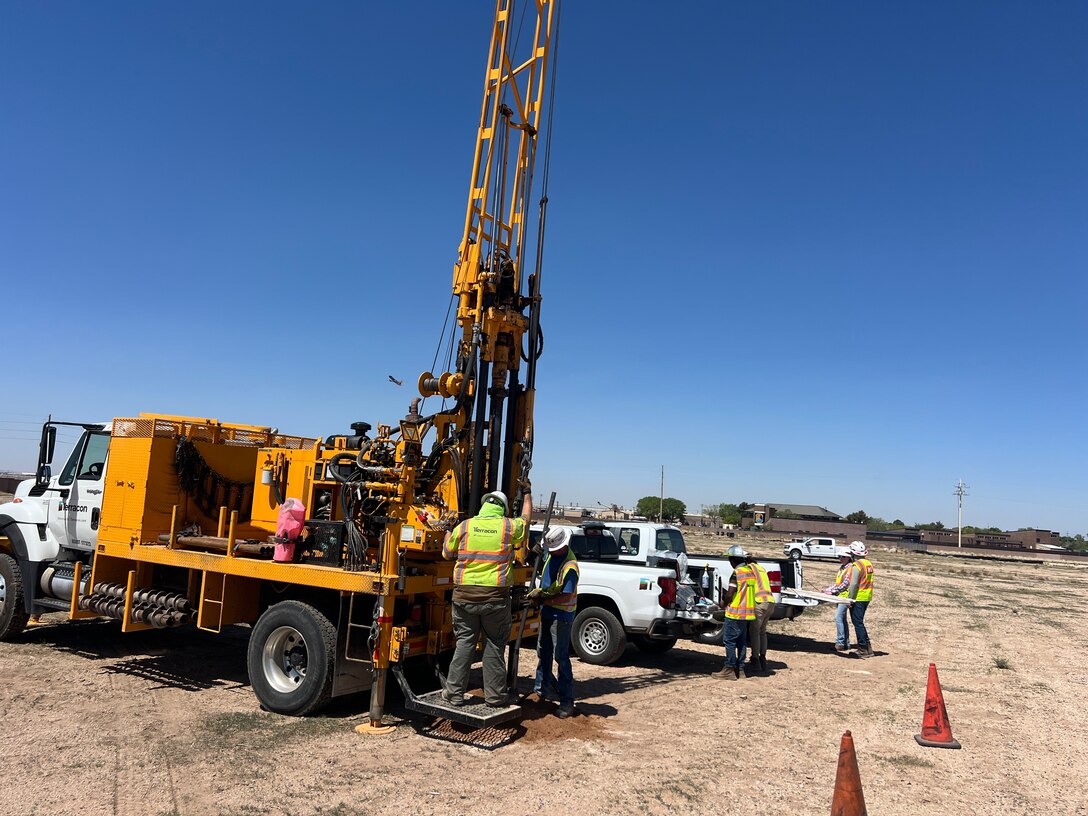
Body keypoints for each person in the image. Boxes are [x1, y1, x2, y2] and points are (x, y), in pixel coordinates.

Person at [441, 484, 532, 707]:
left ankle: (453, 694)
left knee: (464, 643)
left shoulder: (465, 526)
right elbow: (527, 519)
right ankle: (495, 697)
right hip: (495, 599)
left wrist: (447, 532)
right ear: (503, 508)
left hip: (464, 597)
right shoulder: (508, 527)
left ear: (484, 506)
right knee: (494, 645)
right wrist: (527, 492)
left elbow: (446, 553)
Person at [529, 525, 580, 718]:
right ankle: (541, 691)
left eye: (553, 549)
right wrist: (534, 554)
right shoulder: (551, 553)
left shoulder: (570, 566)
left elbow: (566, 597)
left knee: (561, 657)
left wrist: (542, 600)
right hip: (548, 611)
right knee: (543, 652)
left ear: (563, 546)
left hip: (562, 616)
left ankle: (567, 701)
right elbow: (542, 563)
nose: (550, 552)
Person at [824, 540, 875, 658]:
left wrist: (850, 600)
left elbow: (853, 584)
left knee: (858, 623)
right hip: (866, 596)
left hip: (859, 597)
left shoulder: (857, 565)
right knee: (859, 622)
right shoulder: (868, 564)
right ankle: (868, 648)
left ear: (853, 553)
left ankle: (862, 648)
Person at [715, 545, 757, 680]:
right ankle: (741, 670)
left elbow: (730, 594)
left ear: (733, 560)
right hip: (747, 613)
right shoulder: (750, 572)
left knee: (729, 641)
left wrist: (722, 604)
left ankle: (729, 668)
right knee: (741, 642)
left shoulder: (737, 573)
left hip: (735, 612)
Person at [745, 555, 775, 674]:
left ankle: (755, 659)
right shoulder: (761, 569)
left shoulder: (749, 568)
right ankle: (763, 658)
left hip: (760, 601)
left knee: (755, 632)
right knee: (762, 632)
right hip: (770, 602)